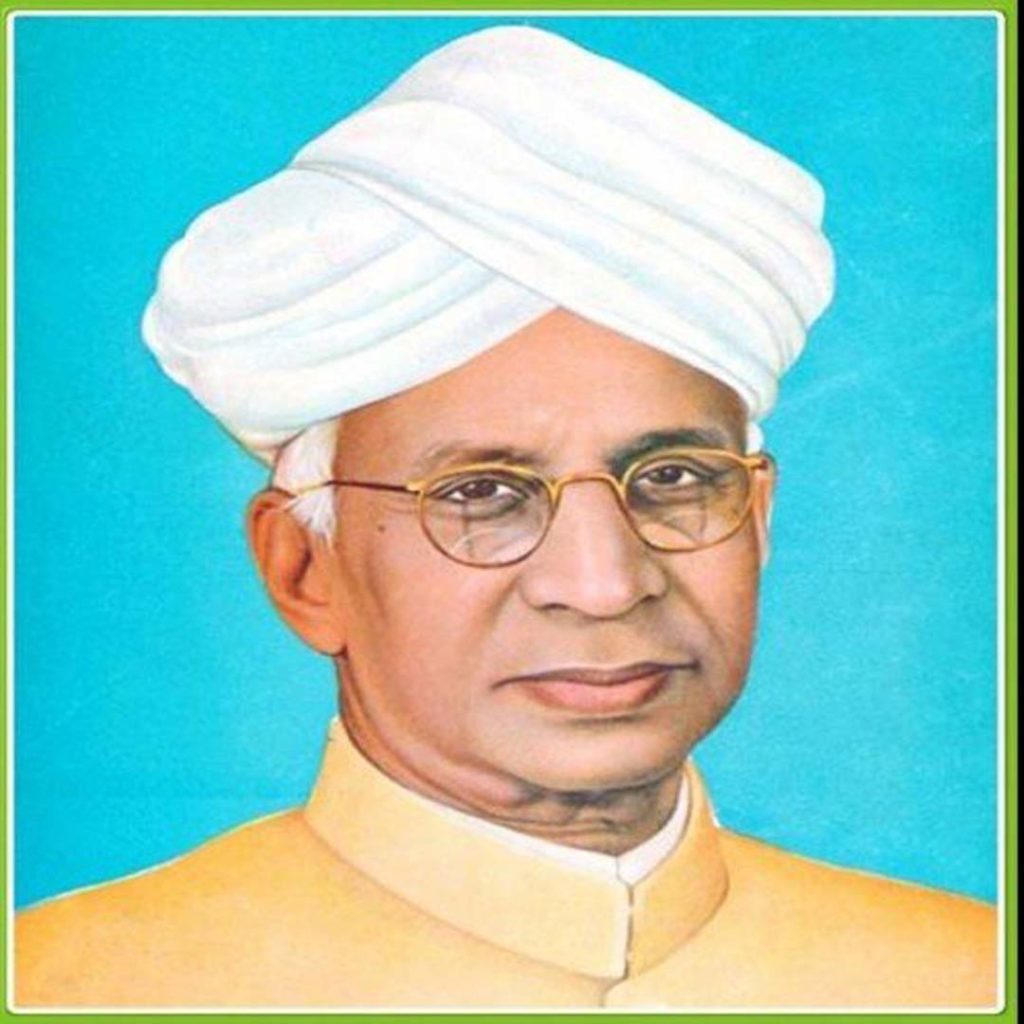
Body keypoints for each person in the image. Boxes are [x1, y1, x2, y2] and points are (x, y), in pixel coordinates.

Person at [15, 25, 996, 1010]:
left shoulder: (964, 975)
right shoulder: (71, 986)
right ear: (303, 570)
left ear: (760, 520)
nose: (604, 585)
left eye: (671, 477)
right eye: (481, 493)